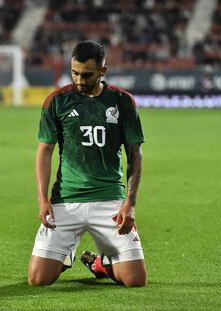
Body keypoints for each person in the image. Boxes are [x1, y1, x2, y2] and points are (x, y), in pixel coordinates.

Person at [27, 41, 146, 287]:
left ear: (103, 71)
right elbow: (44, 151)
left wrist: (130, 204)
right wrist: (42, 199)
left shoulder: (122, 101)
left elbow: (135, 153)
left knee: (135, 280)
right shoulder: (57, 101)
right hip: (66, 199)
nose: (79, 80)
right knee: (38, 279)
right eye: (74, 72)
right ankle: (66, 255)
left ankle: (102, 263)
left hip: (109, 198)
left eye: (87, 74)